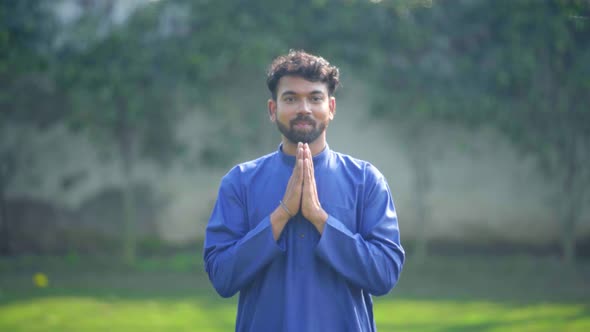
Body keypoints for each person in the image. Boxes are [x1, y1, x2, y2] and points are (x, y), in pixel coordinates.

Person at [203, 50, 405, 332]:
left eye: (315, 97)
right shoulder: (240, 182)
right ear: (273, 110)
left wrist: (319, 218)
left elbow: (384, 275)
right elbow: (222, 277)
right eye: (291, 98)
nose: (304, 108)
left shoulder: (366, 181)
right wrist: (282, 214)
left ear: (331, 107)